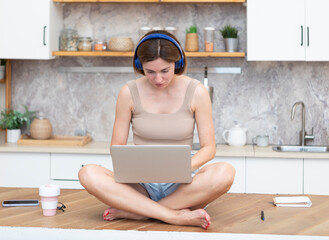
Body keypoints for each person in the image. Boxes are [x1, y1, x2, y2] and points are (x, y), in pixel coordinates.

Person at [78, 30, 236, 229]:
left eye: (165, 71)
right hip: (140, 184)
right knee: (87, 173)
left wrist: (182, 167)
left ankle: (140, 213)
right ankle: (173, 215)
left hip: (183, 185)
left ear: (177, 64)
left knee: (225, 172)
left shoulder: (196, 92)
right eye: (150, 71)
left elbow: (209, 148)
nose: (158, 79)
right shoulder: (128, 92)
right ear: (139, 66)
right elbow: (116, 146)